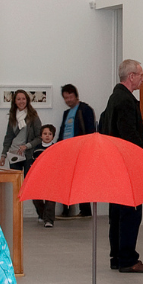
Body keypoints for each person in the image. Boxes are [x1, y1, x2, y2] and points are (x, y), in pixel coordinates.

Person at [98, 60, 143, 272]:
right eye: (141, 75)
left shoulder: (115, 98)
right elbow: (129, 136)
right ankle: (128, 259)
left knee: (117, 213)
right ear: (131, 76)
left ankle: (117, 256)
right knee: (130, 213)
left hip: (115, 164)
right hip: (127, 165)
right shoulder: (124, 100)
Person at [56, 84, 96, 218]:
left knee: (81, 180)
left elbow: (91, 130)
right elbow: (62, 132)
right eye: (65, 98)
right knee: (65, 180)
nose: (68, 100)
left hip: (81, 151)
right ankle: (66, 210)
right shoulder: (66, 113)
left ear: (76, 96)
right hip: (67, 152)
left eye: (70, 97)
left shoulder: (85, 109)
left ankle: (85, 210)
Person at [0, 89, 41, 169]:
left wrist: (27, 146)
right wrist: (3, 155)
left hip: (28, 154)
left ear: (27, 100)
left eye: (23, 99)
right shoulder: (13, 116)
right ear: (15, 101)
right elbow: (8, 137)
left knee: (28, 180)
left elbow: (39, 137)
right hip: (14, 153)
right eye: (18, 99)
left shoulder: (33, 116)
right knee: (16, 180)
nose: (21, 101)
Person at [26, 124, 58, 227]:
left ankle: (49, 220)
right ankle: (42, 215)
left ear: (53, 136)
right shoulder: (36, 149)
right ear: (41, 136)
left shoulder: (55, 148)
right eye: (45, 134)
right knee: (36, 198)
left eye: (50, 134)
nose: (47, 136)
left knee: (50, 200)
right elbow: (33, 164)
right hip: (39, 178)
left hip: (52, 178)